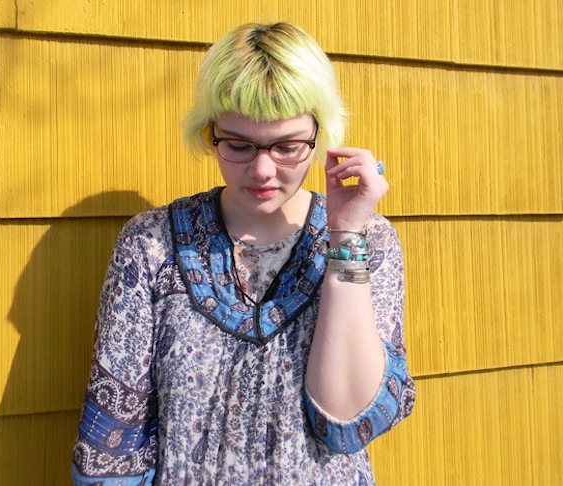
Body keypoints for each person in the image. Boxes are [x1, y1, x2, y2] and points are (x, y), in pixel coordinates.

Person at [71, 22, 415, 485]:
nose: (262, 170)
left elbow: (346, 422)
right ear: (209, 132)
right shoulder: (152, 246)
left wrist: (346, 237)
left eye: (288, 146)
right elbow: (112, 452)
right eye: (238, 145)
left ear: (320, 135)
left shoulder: (368, 240)